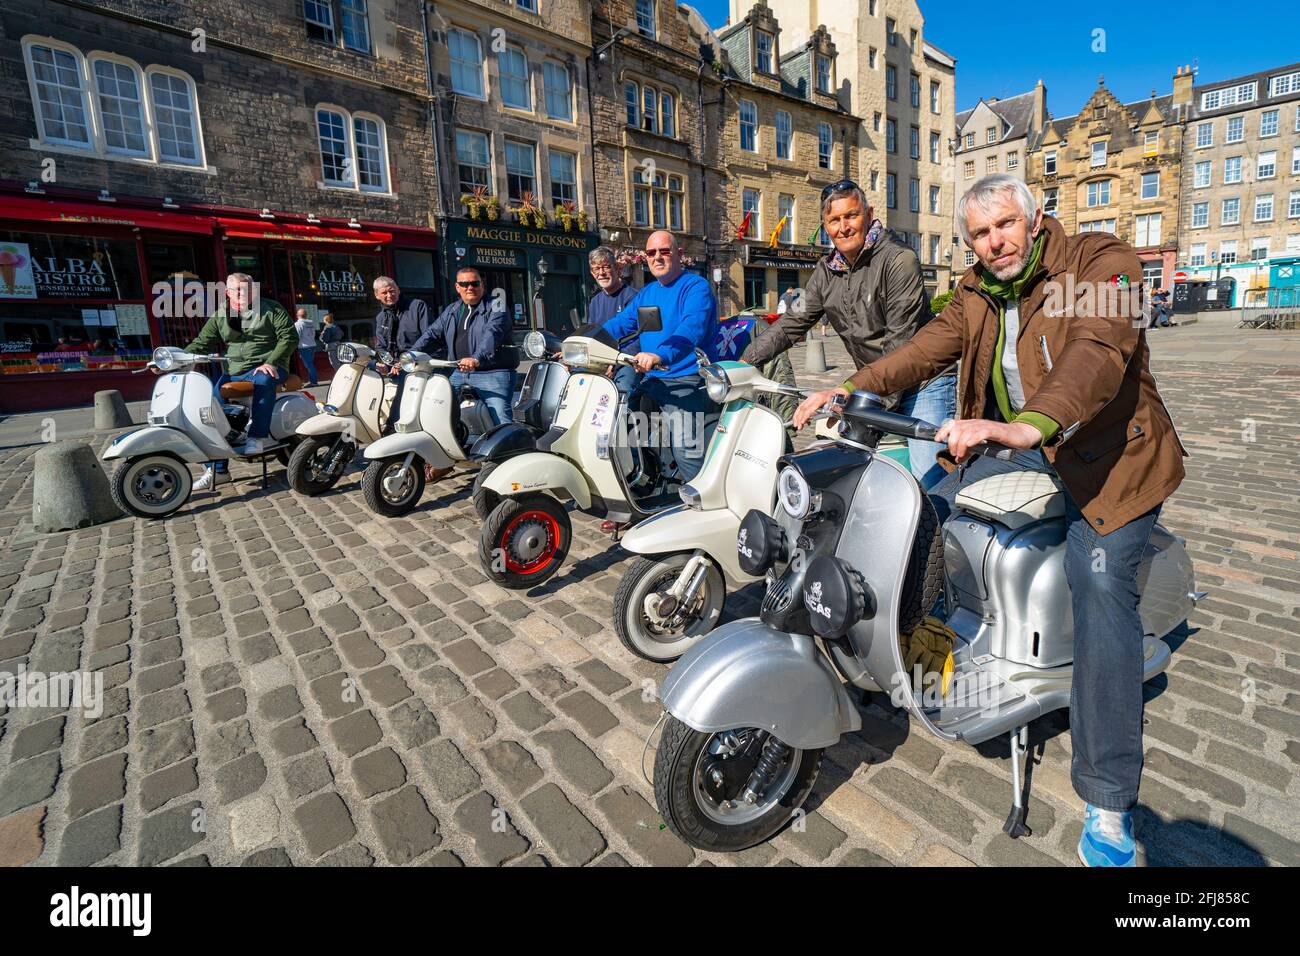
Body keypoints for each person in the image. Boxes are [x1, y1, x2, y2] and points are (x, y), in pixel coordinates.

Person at [794, 174, 1188, 867]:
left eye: (1004, 225)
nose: (993, 242)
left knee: (1098, 586)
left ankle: (1108, 800)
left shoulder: (1100, 263)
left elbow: (1096, 352)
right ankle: (932, 660)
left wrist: (1029, 426)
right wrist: (851, 386)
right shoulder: (975, 290)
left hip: (1109, 462)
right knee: (917, 520)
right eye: (978, 233)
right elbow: (921, 350)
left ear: (1036, 221)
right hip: (1022, 449)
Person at [741, 180, 957, 489]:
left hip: (924, 383)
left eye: (851, 216)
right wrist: (744, 361)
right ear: (825, 225)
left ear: (868, 214)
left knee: (928, 479)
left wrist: (849, 394)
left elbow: (900, 347)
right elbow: (791, 323)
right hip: (874, 381)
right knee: (854, 472)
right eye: (834, 220)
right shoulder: (827, 271)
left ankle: (937, 532)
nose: (843, 227)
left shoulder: (898, 260)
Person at [600, 230, 720, 486]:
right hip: (653, 379)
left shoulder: (696, 287)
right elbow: (621, 323)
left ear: (679, 254)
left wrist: (660, 354)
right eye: (651, 253)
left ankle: (700, 496)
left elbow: (692, 327)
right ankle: (642, 481)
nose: (657, 257)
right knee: (618, 421)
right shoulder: (647, 293)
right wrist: (587, 339)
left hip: (687, 379)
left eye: (664, 251)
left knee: (687, 447)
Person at [185, 272, 298, 489]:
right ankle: (218, 470)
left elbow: (289, 336)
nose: (243, 293)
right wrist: (174, 357)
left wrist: (272, 361)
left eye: (248, 289)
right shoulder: (221, 315)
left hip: (270, 366)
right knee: (211, 407)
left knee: (263, 380)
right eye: (238, 290)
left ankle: (258, 436)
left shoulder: (271, 308)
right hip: (235, 370)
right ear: (227, 292)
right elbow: (202, 342)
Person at [409, 265, 513, 470]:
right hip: (459, 371)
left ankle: (508, 463)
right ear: (457, 287)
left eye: (474, 283)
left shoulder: (497, 306)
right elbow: (431, 334)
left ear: (482, 285)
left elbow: (492, 334)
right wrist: (411, 355)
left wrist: (477, 358)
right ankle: (444, 459)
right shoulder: (453, 310)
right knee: (437, 408)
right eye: (464, 284)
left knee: (500, 416)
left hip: (492, 372)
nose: (470, 287)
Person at [372, 276, 432, 425]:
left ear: (398, 290)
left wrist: (404, 361)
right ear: (377, 295)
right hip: (397, 367)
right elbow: (380, 346)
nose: (389, 295)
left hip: (419, 363)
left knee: (401, 405)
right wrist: (384, 362)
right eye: (384, 293)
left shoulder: (417, 306)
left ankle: (394, 426)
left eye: (392, 291)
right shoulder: (381, 317)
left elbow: (428, 337)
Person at [294, 308, 319, 386]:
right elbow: (314, 334)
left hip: (304, 346)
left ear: (297, 315)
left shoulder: (298, 324)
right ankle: (313, 381)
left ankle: (314, 382)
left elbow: (297, 336)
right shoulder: (311, 323)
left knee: (309, 365)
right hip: (312, 345)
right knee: (310, 364)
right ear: (306, 315)